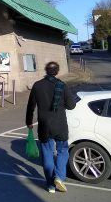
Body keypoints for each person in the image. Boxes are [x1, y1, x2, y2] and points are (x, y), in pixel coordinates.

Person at [26, 61, 77, 193]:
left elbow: (31, 106)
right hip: (60, 124)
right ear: (57, 72)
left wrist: (29, 122)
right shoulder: (62, 85)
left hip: (44, 125)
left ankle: (50, 185)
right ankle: (59, 177)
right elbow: (72, 105)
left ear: (46, 71)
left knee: (47, 152)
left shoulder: (37, 86)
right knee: (62, 150)